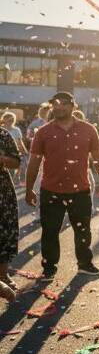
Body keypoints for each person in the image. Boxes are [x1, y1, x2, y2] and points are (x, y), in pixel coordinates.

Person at [25, 92, 99, 280]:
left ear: (73, 106)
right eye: (55, 104)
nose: (59, 107)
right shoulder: (43, 132)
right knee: (50, 231)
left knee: (83, 230)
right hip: (51, 190)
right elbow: (33, 163)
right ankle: (49, 268)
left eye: (64, 103)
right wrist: (29, 189)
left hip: (80, 190)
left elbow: (98, 156)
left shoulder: (88, 129)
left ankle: (85, 264)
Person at [0, 126, 22, 302]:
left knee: (5, 231)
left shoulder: (3, 134)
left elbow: (16, 162)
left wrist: (2, 159)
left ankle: (2, 275)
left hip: (2, 190)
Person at [1, 112, 26, 183]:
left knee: (11, 173)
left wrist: (24, 152)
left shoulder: (16, 130)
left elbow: (20, 142)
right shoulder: (1, 130)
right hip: (2, 154)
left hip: (12, 154)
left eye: (12, 120)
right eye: (9, 120)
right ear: (4, 120)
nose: (11, 122)